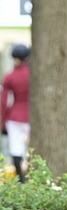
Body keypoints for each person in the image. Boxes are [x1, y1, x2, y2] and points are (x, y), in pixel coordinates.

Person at [2, 43, 31, 182]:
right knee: (31, 148)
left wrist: (3, 121)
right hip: (31, 115)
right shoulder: (34, 75)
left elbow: (4, 101)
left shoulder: (10, 76)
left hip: (14, 116)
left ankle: (21, 180)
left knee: (16, 148)